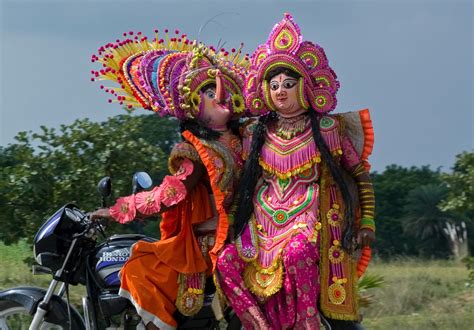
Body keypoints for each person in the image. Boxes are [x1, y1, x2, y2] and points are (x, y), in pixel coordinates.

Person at [215, 13, 376, 329]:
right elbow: (237, 175)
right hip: (262, 222)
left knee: (297, 255)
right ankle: (259, 324)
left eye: (288, 84)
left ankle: (307, 323)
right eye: (273, 85)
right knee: (225, 262)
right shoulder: (255, 132)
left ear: (306, 87)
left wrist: (366, 220)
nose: (280, 91)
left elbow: (360, 174)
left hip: (307, 221)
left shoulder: (329, 129)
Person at [89, 31, 248, 329]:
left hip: (209, 244)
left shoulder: (196, 150)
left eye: (221, 91)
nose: (219, 97)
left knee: (138, 266)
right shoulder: (241, 142)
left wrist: (115, 211)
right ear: (193, 106)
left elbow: (168, 195)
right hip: (241, 236)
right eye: (210, 93)